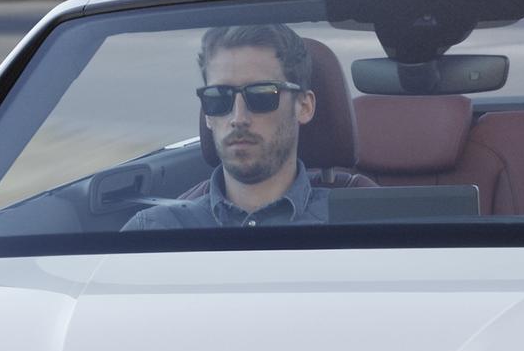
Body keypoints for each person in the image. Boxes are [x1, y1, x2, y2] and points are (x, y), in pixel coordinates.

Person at [122, 22, 368, 231]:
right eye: (219, 97)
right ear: (207, 114)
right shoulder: (152, 232)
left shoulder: (363, 224)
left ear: (304, 106)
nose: (238, 117)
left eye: (261, 95)